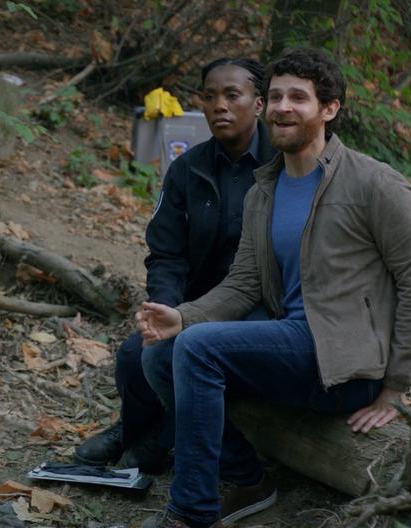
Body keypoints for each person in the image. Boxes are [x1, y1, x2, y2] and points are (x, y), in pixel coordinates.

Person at [138, 48, 411, 528]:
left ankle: (191, 514)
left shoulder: (375, 184)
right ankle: (248, 478)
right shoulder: (266, 188)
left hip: (344, 362)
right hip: (291, 343)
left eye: (298, 98)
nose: (283, 107)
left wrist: (395, 390)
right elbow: (243, 282)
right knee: (161, 354)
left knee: (197, 350)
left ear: (329, 109)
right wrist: (184, 316)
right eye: (276, 96)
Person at [74, 57, 277, 473]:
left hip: (259, 305)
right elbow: (166, 252)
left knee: (185, 356)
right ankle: (132, 430)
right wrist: (162, 306)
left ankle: (164, 438)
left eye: (232, 95)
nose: (220, 105)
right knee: (137, 353)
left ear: (258, 105)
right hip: (194, 303)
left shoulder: (282, 164)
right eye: (210, 95)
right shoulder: (188, 168)